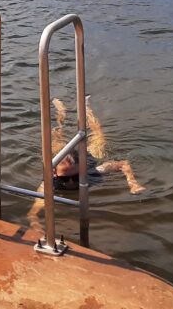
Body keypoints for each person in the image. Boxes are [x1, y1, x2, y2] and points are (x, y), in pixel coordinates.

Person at [26, 96, 145, 231]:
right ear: (54, 173)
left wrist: (133, 183)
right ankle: (61, 110)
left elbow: (123, 163)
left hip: (88, 158)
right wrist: (35, 224)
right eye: (64, 178)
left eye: (76, 177)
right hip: (62, 156)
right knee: (57, 132)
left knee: (98, 134)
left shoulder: (93, 171)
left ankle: (86, 107)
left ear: (82, 171)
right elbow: (34, 211)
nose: (71, 182)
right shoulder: (48, 183)